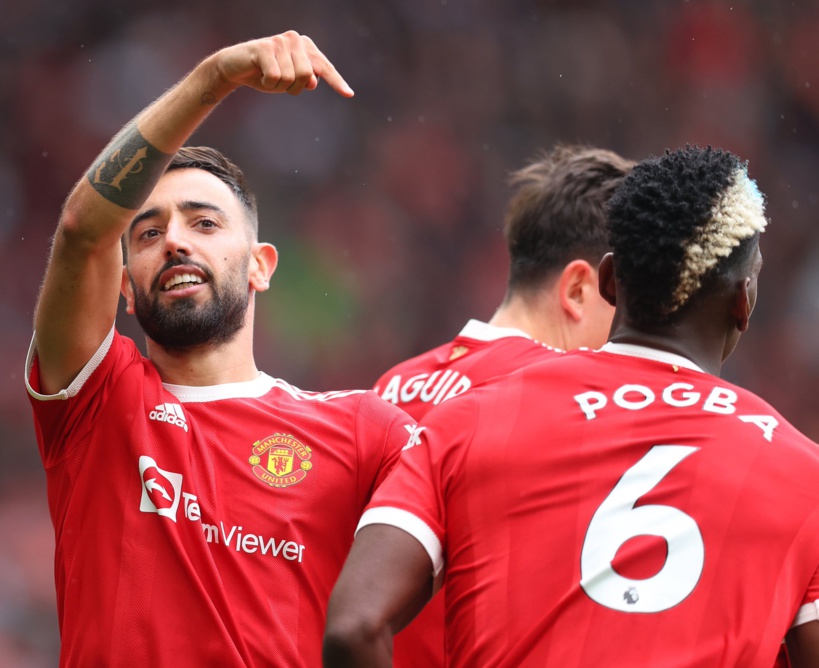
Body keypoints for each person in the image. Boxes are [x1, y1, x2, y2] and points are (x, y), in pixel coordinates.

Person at [323, 145, 819, 667]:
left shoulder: (469, 417)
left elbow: (355, 626)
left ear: (607, 281)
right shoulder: (804, 473)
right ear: (743, 304)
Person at [25, 33, 415, 667]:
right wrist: (212, 80)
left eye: (204, 224)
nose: (175, 242)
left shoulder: (363, 432)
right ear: (124, 288)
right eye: (148, 233)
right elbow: (80, 230)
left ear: (261, 265)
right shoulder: (95, 402)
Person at [371, 144, 635, 668]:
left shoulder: (391, 386)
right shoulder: (566, 399)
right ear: (580, 289)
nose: (638, 333)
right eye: (630, 304)